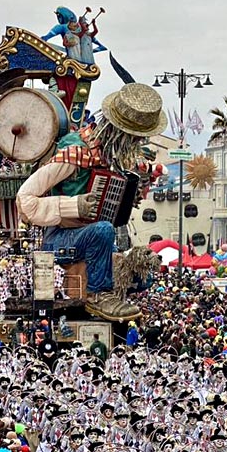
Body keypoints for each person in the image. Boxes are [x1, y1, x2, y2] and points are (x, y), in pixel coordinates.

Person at [16, 83, 166, 321]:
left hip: (91, 242)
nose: (137, 144)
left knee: (141, 272)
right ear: (120, 132)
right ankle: (98, 296)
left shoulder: (113, 160)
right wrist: (73, 206)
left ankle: (109, 293)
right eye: (135, 138)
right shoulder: (75, 152)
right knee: (103, 230)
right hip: (59, 240)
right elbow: (25, 200)